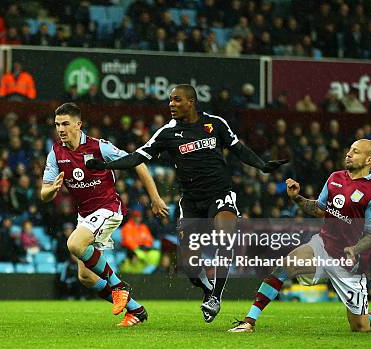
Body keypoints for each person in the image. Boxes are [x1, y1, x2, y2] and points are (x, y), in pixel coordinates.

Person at [86, 84, 287, 323]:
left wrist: (262, 165)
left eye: (177, 100)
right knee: (189, 264)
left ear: (191, 101)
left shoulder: (215, 124)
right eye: (170, 100)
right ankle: (205, 289)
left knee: (226, 233)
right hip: (191, 201)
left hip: (219, 194)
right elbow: (138, 157)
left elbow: (238, 149)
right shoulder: (167, 133)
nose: (171, 104)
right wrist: (105, 166)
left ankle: (215, 296)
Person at [229, 139, 371, 333]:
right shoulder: (335, 177)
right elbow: (320, 210)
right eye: (349, 150)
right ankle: (249, 321)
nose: (349, 154)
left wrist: (355, 248)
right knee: (284, 266)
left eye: (355, 152)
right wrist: (297, 198)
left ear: (369, 159)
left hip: (349, 263)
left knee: (360, 326)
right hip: (323, 246)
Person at [41, 102, 168, 327]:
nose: (60, 129)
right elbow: (44, 193)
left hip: (108, 209)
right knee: (86, 277)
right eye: (57, 124)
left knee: (74, 244)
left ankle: (119, 286)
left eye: (65, 123)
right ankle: (136, 310)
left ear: (78, 125)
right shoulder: (56, 153)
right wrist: (51, 190)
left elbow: (137, 163)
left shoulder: (99, 148)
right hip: (86, 216)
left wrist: (156, 198)